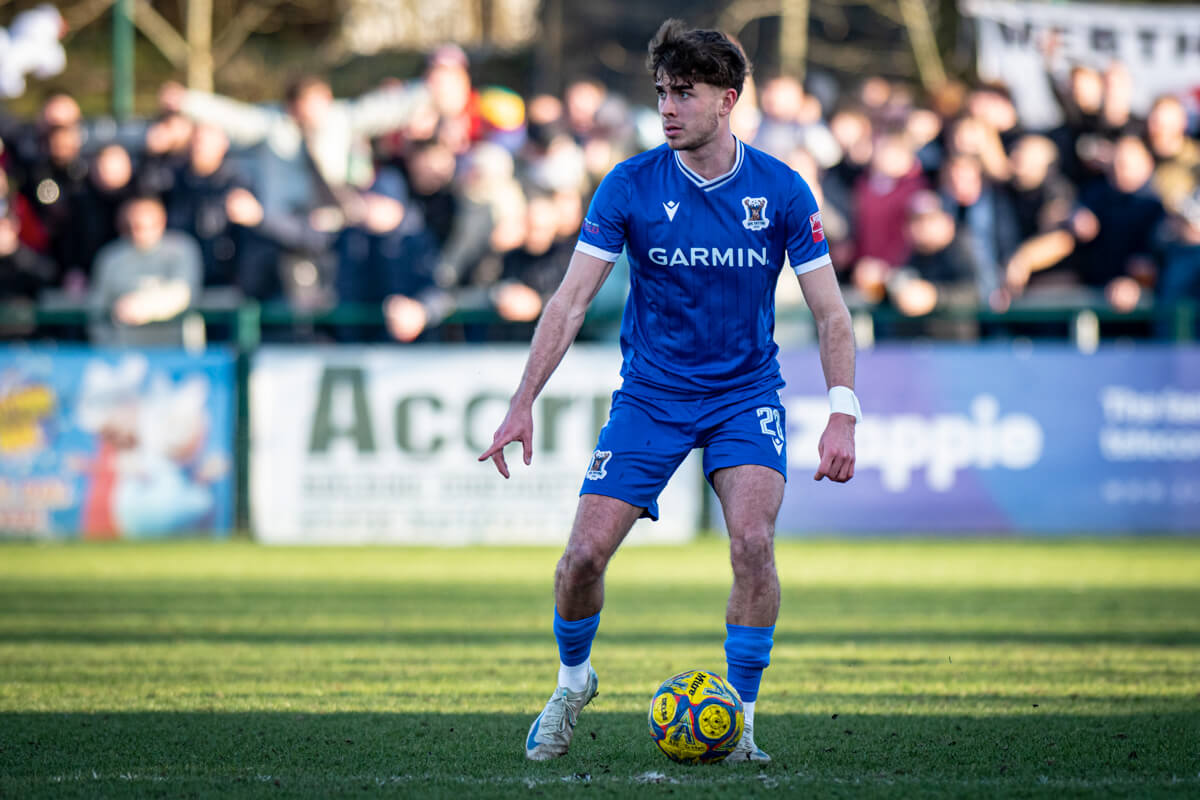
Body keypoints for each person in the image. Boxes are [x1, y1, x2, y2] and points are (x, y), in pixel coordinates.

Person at [479, 19, 859, 764]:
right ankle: (572, 682)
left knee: (753, 544)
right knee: (581, 559)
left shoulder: (780, 190)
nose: (668, 108)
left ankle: (742, 722)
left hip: (745, 394)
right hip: (651, 395)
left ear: (728, 98)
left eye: (685, 93)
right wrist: (522, 400)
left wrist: (842, 412)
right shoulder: (629, 183)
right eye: (661, 93)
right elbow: (569, 302)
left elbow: (831, 312)